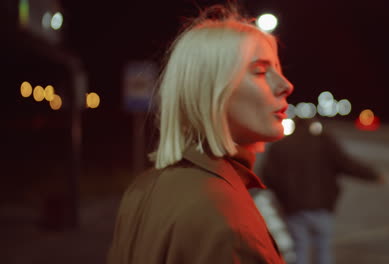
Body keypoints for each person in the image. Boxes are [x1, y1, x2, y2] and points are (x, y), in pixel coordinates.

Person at [107, 4, 294, 264]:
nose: (286, 85)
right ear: (210, 90)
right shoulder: (230, 225)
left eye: (279, 69)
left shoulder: (142, 188)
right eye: (261, 71)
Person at [259, 117, 385, 264]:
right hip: (322, 207)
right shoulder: (324, 141)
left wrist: (282, 197)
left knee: (300, 249)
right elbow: (347, 164)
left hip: (294, 209)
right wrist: (374, 175)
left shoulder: (281, 145)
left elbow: (268, 176)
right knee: (323, 249)